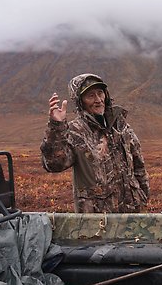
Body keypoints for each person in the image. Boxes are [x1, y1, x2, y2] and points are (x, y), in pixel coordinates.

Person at [40, 73, 150, 213]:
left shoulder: (120, 125)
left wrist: (143, 196)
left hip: (132, 213)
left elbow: (138, 164)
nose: (98, 100)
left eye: (100, 93)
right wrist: (56, 126)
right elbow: (54, 164)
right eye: (90, 96)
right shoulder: (75, 132)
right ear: (81, 101)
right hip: (97, 221)